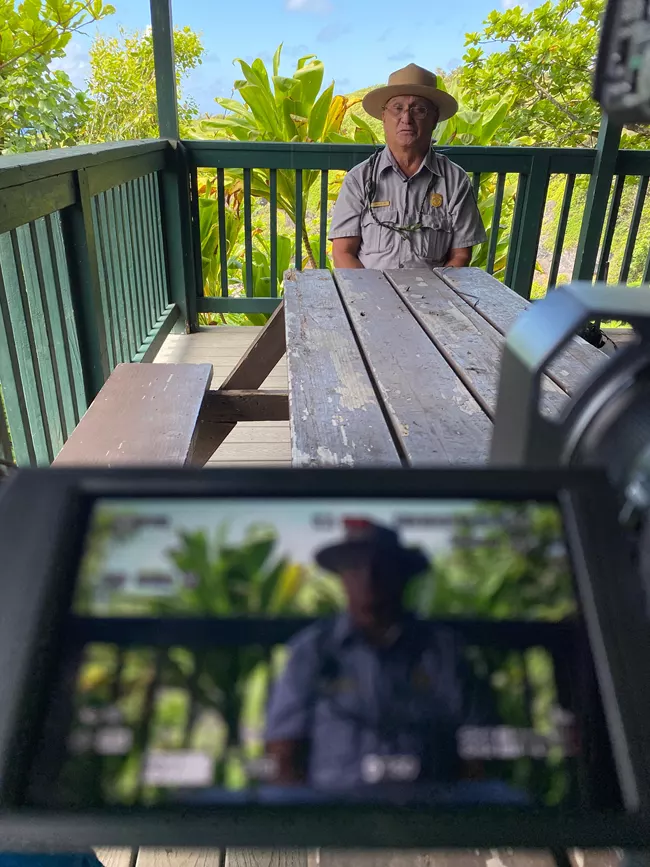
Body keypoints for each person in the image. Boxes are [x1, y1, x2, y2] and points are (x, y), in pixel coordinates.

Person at [263, 519, 500, 800]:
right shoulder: (311, 651)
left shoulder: (444, 651)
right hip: (336, 815)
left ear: (401, 574)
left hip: (430, 814)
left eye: (381, 566)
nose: (369, 579)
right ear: (342, 577)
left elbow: (479, 748)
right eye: (355, 567)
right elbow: (283, 751)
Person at [329, 64, 487, 271]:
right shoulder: (359, 179)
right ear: (384, 116)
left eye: (419, 110)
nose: (406, 119)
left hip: (432, 297)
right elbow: (342, 252)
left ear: (434, 119)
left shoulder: (455, 181)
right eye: (398, 108)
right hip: (370, 296)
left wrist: (434, 295)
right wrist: (370, 297)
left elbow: (460, 255)